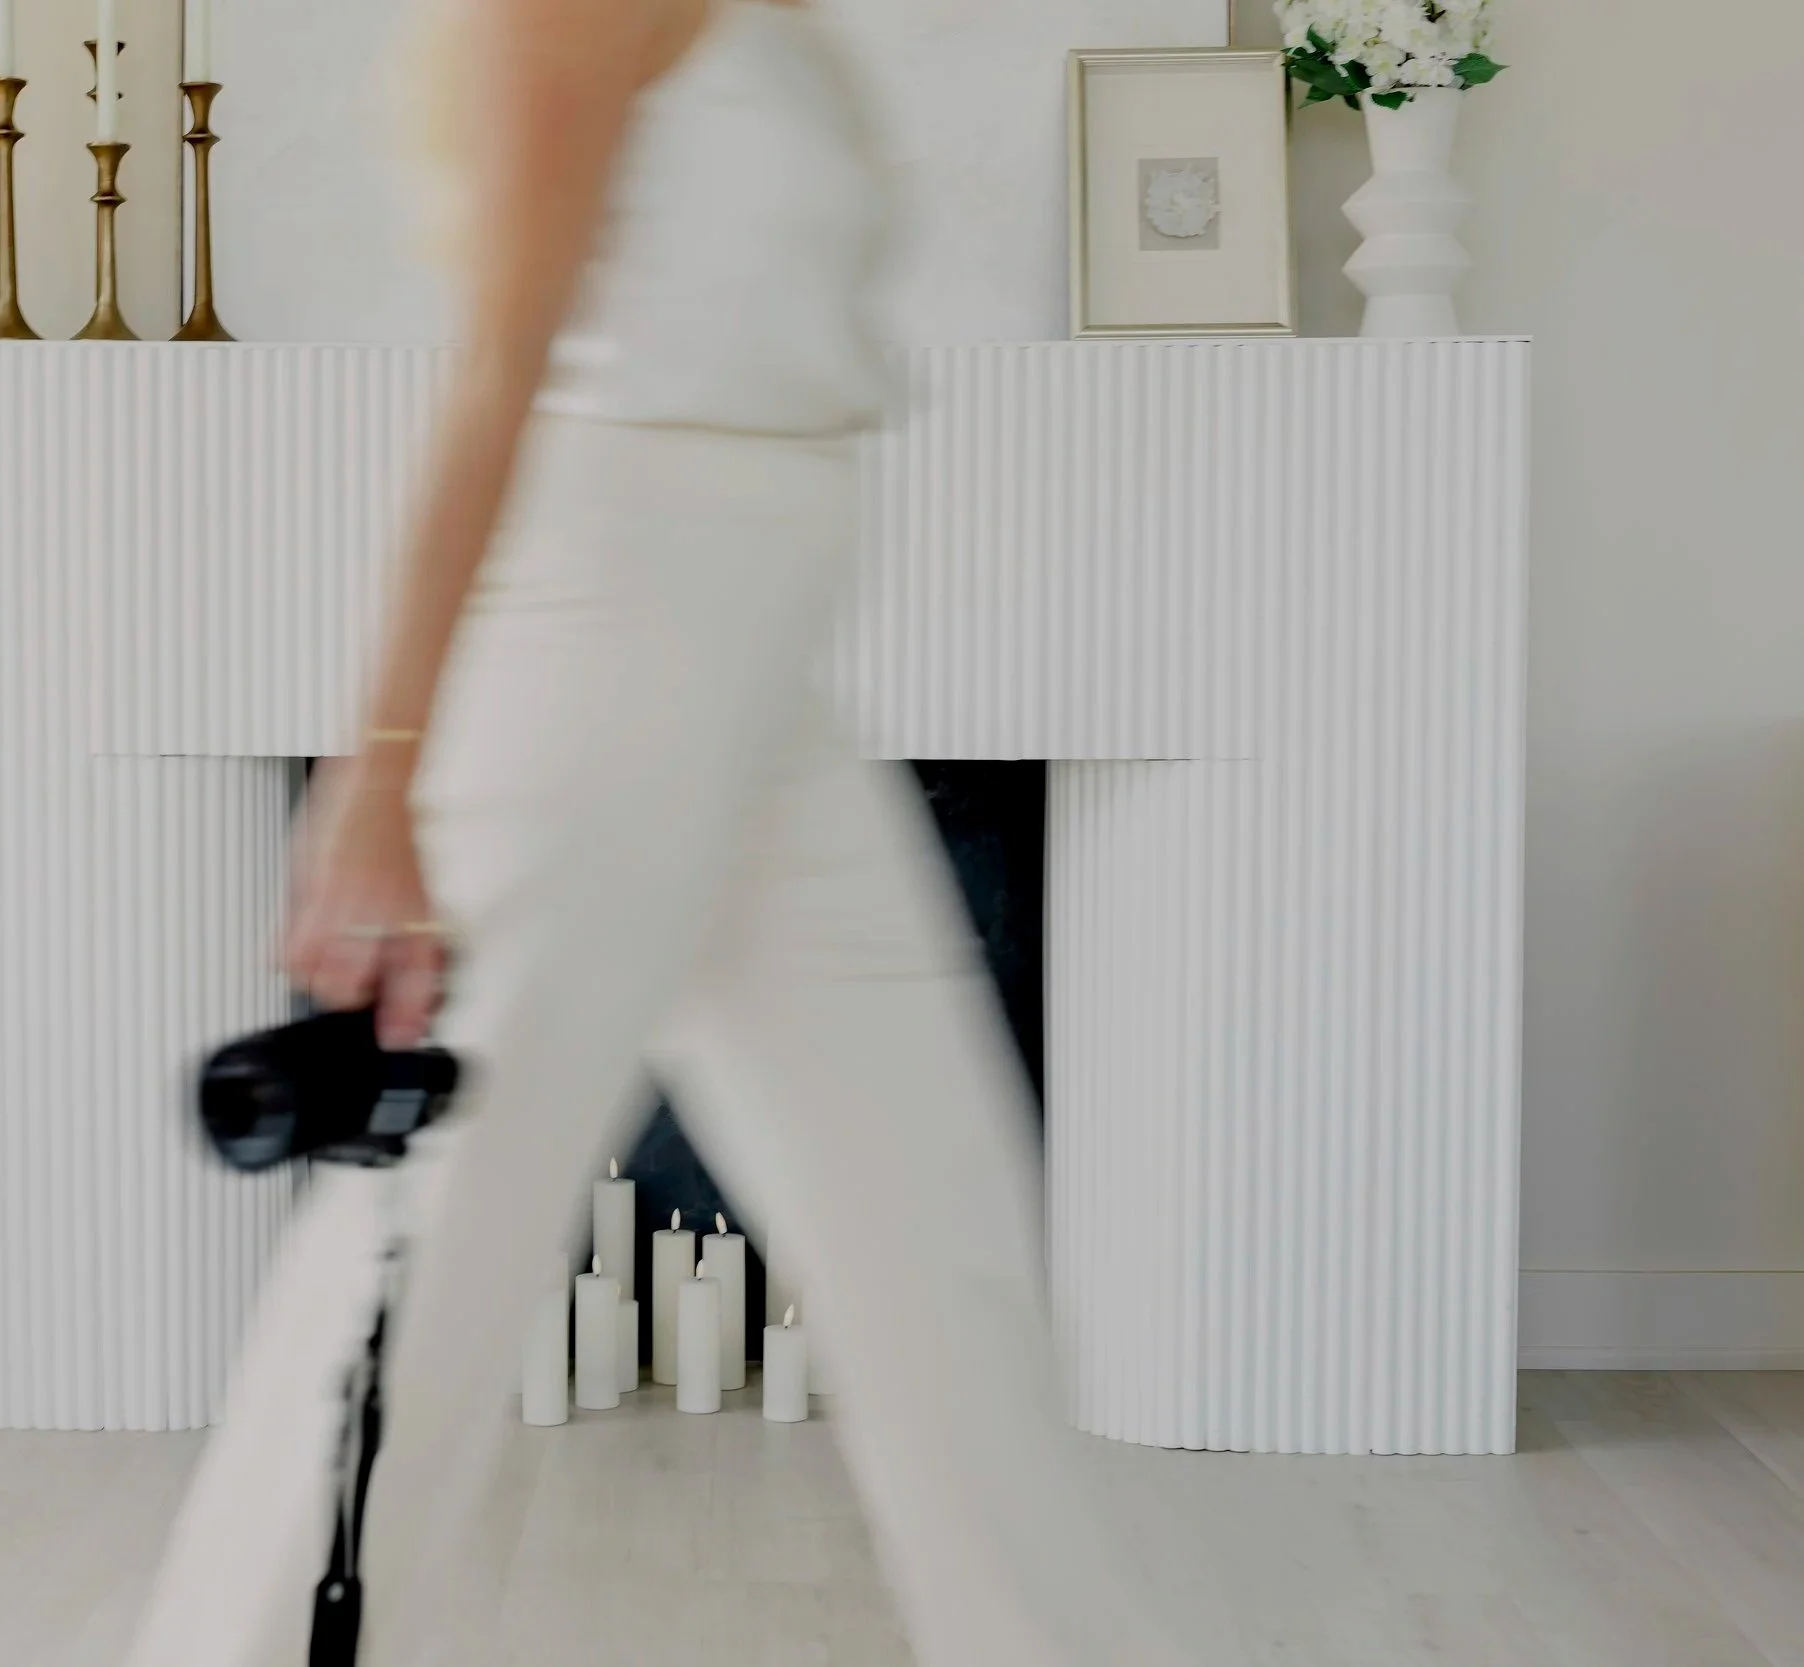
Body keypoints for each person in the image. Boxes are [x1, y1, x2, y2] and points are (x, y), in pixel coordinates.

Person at [130, 1, 1184, 1662]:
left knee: (941, 1255)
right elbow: (496, 376)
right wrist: (381, 774)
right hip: (608, 656)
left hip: (761, 681)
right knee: (439, 1255)